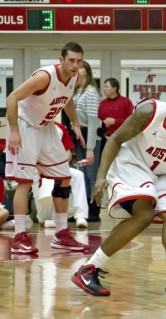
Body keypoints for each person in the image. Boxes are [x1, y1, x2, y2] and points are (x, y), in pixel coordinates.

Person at [71, 82, 166, 296]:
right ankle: (88, 268)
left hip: (161, 174)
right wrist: (101, 177)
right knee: (144, 214)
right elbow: (116, 139)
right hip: (132, 164)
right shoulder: (151, 111)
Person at [5, 42, 89, 254]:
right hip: (25, 126)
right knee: (24, 182)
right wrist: (14, 131)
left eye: (79, 61)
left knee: (64, 176)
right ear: (61, 60)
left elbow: (67, 100)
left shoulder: (76, 76)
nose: (75, 65)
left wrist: (75, 123)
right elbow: (12, 98)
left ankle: (61, 234)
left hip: (46, 126)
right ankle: (19, 236)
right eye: (71, 60)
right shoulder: (44, 77)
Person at [31, 122, 89, 228]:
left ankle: (81, 216)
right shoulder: (33, 126)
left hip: (58, 167)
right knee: (45, 218)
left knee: (78, 175)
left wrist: (58, 166)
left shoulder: (60, 128)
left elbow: (68, 153)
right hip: (39, 168)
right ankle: (48, 217)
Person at [73, 61, 102, 222]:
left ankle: (94, 210)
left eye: (81, 67)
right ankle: (82, 212)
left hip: (91, 138)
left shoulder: (91, 93)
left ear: (87, 71)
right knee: (81, 176)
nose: (77, 68)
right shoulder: (77, 91)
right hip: (79, 139)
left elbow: (92, 122)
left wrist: (90, 148)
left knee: (91, 176)